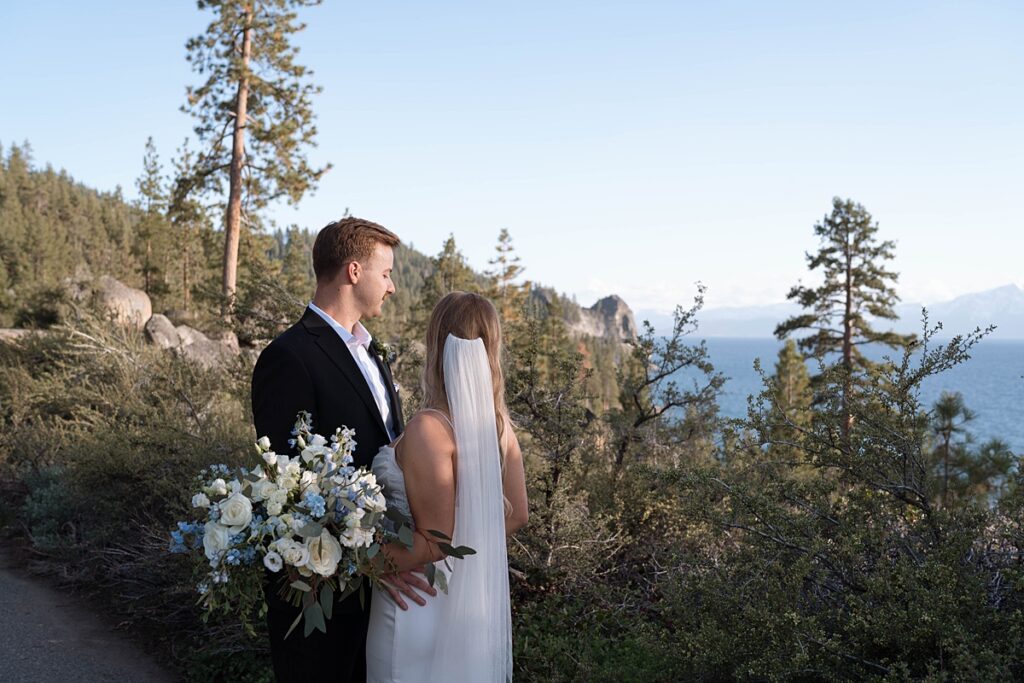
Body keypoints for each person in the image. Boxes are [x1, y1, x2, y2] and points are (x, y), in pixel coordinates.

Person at [251, 217, 436, 683]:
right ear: (354, 272)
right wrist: (371, 561)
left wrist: (395, 556)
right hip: (320, 593)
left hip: (381, 588)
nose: (391, 287)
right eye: (387, 273)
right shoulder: (288, 357)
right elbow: (293, 487)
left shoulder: (374, 353)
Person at [366, 291, 530, 682]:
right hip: (465, 605)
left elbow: (435, 540)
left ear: (436, 345)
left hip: (412, 602)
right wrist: (465, 560)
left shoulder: (429, 428)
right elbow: (518, 514)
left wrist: (364, 563)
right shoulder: (500, 427)